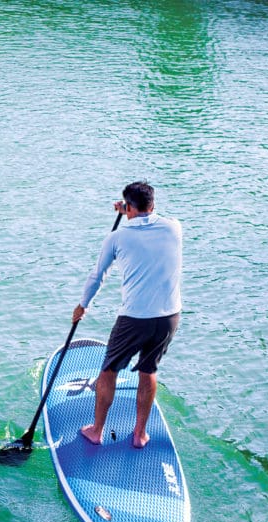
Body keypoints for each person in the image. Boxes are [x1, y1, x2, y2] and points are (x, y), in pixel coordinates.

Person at [72, 181, 182, 449]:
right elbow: (147, 219)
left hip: (134, 318)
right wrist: (130, 211)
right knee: (148, 370)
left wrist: (82, 306)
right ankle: (139, 434)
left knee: (109, 370)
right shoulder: (174, 228)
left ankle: (97, 430)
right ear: (153, 205)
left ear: (128, 207)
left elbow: (97, 276)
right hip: (169, 316)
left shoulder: (117, 237)